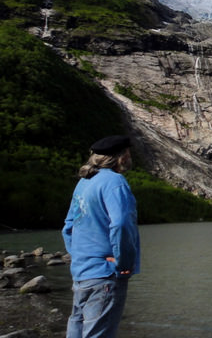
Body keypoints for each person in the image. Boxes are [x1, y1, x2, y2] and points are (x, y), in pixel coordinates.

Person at [62, 135, 141, 338]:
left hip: (82, 272)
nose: (130, 156)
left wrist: (81, 256)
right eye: (128, 152)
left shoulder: (84, 182)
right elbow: (121, 224)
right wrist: (123, 263)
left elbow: (69, 226)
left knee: (77, 328)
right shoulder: (115, 182)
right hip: (105, 274)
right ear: (121, 156)